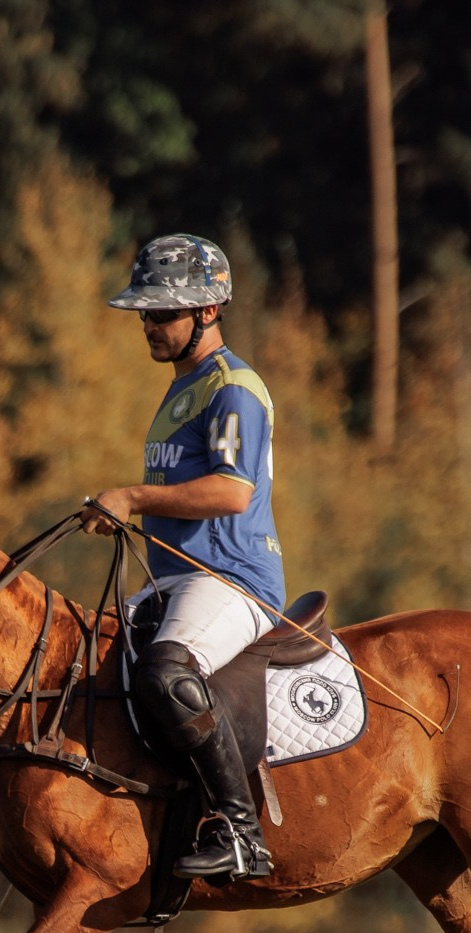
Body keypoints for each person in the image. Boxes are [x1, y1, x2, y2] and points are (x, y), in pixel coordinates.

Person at [81, 234, 285, 881]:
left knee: (166, 675)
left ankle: (241, 834)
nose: (149, 324)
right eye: (145, 313)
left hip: (232, 578)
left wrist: (132, 497)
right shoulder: (180, 393)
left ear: (207, 311)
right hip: (175, 580)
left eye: (162, 312)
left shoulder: (232, 387)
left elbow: (232, 492)